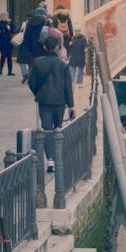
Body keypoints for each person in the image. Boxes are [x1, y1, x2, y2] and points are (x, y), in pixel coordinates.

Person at [28, 31, 74, 170]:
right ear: (57, 48)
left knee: (47, 129)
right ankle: (57, 156)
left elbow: (32, 83)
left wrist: (39, 93)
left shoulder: (38, 63)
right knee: (57, 129)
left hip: (44, 102)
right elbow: (68, 87)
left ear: (44, 48)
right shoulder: (63, 65)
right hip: (60, 102)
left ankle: (50, 159)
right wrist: (71, 106)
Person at [19, 7, 49, 82]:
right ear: (43, 14)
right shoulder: (45, 22)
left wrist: (29, 47)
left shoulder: (29, 22)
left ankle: (31, 77)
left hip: (33, 48)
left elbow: (26, 36)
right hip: (42, 46)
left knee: (33, 63)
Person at [0, 10, 14, 75]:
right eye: (6, 16)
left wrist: (10, 26)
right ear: (3, 16)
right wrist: (5, 28)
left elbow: (14, 29)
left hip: (9, 42)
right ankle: (0, 70)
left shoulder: (9, 22)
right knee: (3, 56)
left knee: (9, 57)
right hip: (2, 43)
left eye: (7, 16)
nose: (7, 17)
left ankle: (10, 71)